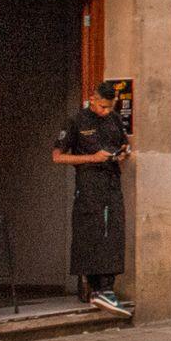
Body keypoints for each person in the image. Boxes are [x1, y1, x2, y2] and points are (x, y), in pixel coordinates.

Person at [52, 82, 134, 316]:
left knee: (114, 232)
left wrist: (123, 155)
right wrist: (92, 158)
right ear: (92, 99)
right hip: (88, 186)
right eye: (102, 106)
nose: (105, 111)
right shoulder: (77, 121)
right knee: (91, 232)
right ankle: (96, 288)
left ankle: (108, 288)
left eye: (109, 107)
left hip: (111, 184)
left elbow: (125, 144)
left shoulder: (115, 119)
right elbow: (57, 157)